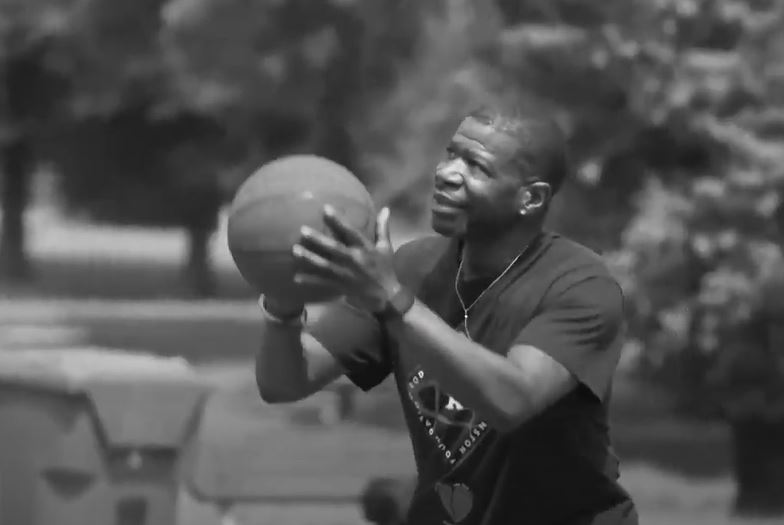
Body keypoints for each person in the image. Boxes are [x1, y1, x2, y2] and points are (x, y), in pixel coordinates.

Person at [255, 103, 639, 524]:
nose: (447, 173)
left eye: (476, 166)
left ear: (530, 198)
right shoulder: (413, 269)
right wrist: (282, 304)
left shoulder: (579, 285)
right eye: (451, 154)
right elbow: (285, 381)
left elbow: (513, 400)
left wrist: (392, 300)